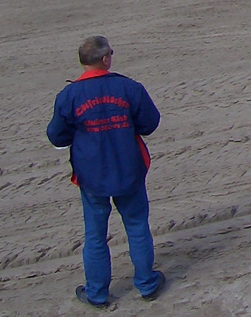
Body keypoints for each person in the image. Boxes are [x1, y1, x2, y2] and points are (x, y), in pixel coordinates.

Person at [46, 35, 166, 307]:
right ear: (105, 59)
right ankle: (146, 284)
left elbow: (56, 136)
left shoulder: (69, 95)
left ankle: (97, 293)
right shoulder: (128, 88)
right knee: (136, 226)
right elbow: (150, 122)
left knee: (95, 234)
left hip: (92, 175)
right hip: (128, 170)